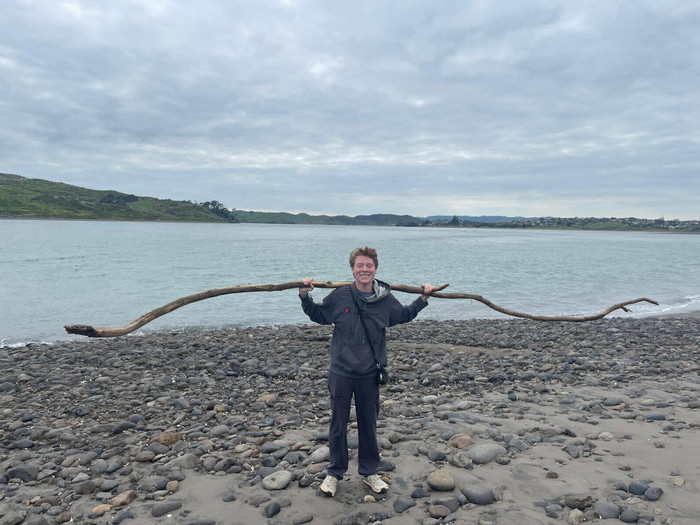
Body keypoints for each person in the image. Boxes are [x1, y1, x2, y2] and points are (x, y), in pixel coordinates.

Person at [299, 246, 435, 497]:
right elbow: (319, 315)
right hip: (341, 370)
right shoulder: (340, 296)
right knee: (338, 425)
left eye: (368, 266)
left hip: (369, 373)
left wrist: (423, 299)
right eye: (360, 265)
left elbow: (403, 315)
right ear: (352, 269)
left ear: (375, 269)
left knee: (368, 425)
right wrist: (305, 296)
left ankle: (370, 472)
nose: (364, 270)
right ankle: (334, 473)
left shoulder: (384, 299)